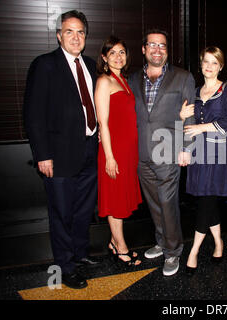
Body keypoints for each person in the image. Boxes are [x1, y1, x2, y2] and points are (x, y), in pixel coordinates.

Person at [23, 10, 99, 289]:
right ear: (59, 35)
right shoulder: (44, 65)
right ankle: (65, 267)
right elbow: (33, 115)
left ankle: (80, 255)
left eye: (80, 32)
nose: (76, 37)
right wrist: (42, 154)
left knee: (83, 211)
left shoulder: (91, 65)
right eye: (69, 31)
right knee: (62, 213)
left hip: (90, 150)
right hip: (58, 155)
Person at [128, 29, 195, 276]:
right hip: (141, 152)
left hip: (169, 150)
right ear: (144, 49)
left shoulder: (183, 77)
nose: (158, 50)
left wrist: (188, 148)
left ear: (168, 50)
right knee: (154, 203)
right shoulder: (133, 79)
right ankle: (162, 240)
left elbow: (191, 114)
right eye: (152, 45)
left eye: (163, 46)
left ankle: (173, 251)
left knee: (168, 203)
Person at [180, 47, 227, 274]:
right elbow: (187, 123)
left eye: (214, 62)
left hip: (218, 154)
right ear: (201, 64)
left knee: (205, 202)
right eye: (206, 61)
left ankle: (193, 250)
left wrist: (202, 127)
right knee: (207, 200)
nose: (209, 66)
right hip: (197, 154)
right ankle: (218, 243)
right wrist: (184, 142)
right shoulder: (195, 91)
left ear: (221, 66)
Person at [95, 36, 142, 267]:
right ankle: (121, 248)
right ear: (104, 57)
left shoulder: (124, 80)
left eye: (122, 52)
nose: (118, 56)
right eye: (112, 52)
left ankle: (115, 243)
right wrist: (110, 157)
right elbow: (102, 122)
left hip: (128, 151)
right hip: (113, 152)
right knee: (115, 201)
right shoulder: (104, 81)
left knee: (121, 200)